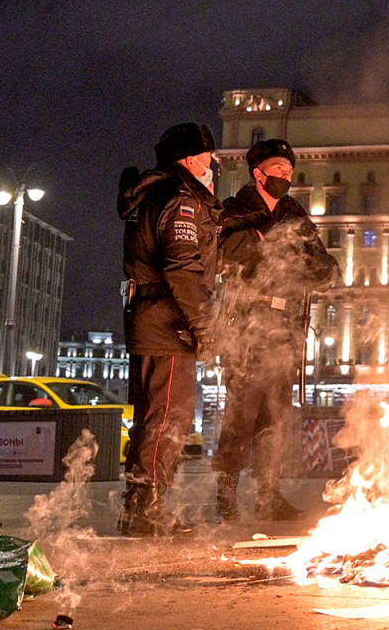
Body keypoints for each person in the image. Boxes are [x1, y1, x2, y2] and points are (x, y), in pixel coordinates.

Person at [212, 139, 338, 522]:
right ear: (258, 172)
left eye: (288, 170)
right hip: (247, 325)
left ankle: (269, 496)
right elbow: (224, 252)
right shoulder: (237, 210)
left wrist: (318, 265)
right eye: (278, 169)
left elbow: (324, 268)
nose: (285, 176)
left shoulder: (295, 214)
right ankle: (226, 495)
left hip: (284, 328)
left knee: (276, 416)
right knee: (241, 415)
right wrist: (266, 238)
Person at [117, 122, 220, 536]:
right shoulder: (179, 200)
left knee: (151, 417)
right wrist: (205, 325)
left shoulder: (151, 195)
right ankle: (148, 508)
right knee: (169, 419)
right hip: (169, 322)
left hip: (148, 316)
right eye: (208, 159)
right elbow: (182, 266)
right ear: (191, 159)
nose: (212, 166)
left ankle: (138, 506)